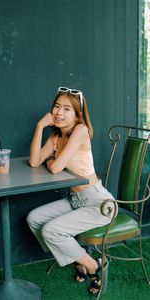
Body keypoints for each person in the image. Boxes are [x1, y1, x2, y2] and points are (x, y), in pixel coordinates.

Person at [27, 86, 115, 296]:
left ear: (78, 115)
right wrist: (39, 127)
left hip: (99, 204)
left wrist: (51, 162)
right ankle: (79, 258)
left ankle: (94, 266)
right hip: (76, 199)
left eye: (67, 109)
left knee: (51, 230)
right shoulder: (56, 136)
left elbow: (55, 167)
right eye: (57, 106)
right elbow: (34, 162)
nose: (59, 112)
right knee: (34, 218)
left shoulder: (80, 130)